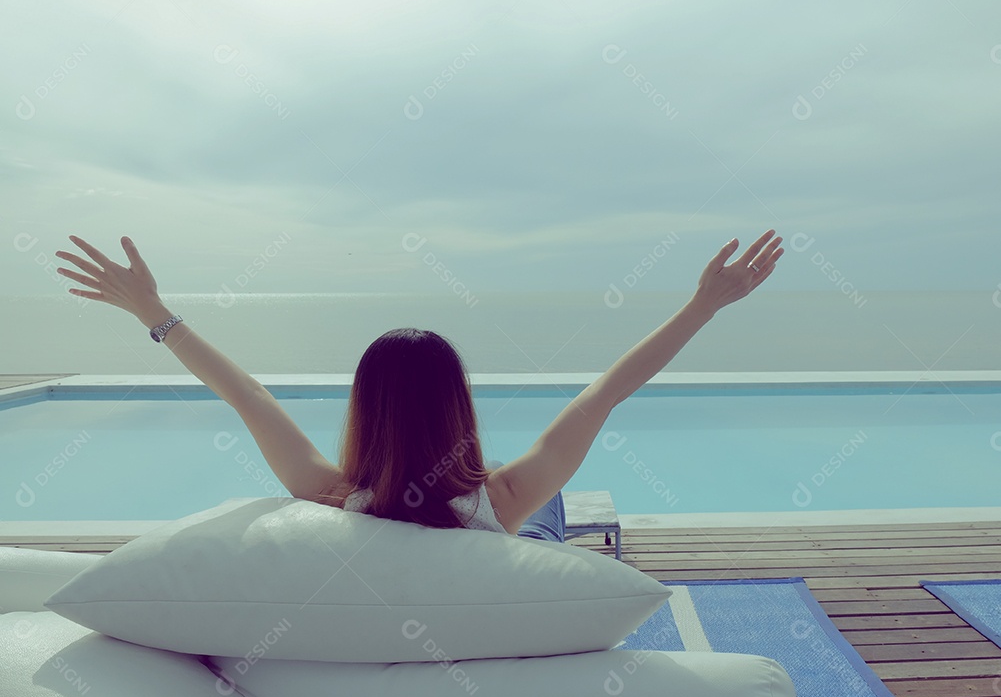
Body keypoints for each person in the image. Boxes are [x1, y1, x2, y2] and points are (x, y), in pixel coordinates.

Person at [55, 231, 783, 543]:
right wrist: (703, 306)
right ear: (457, 410)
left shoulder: (328, 496)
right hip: (509, 522)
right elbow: (604, 393)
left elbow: (248, 397)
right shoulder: (502, 500)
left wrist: (154, 315)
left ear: (364, 413)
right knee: (548, 508)